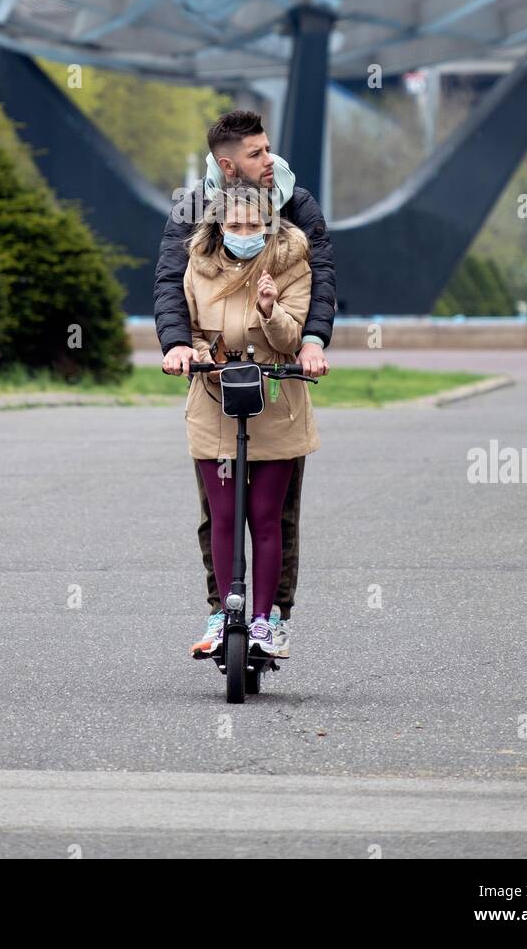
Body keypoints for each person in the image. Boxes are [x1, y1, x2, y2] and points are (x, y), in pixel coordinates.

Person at [156, 110, 336, 656]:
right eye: (257, 153)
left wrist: (312, 342)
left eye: (267, 149)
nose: (270, 160)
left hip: (277, 375)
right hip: (216, 382)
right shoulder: (191, 211)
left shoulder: (295, 202)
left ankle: (272, 616)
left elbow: (320, 275)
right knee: (218, 514)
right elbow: (170, 280)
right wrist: (176, 345)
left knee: (276, 512)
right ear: (227, 165)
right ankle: (221, 611)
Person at [179, 181, 320, 656]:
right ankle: (223, 615)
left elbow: (291, 339)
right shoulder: (198, 266)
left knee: (265, 517)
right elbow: (191, 328)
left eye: (253, 224)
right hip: (215, 401)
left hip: (275, 402)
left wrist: (268, 307)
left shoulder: (291, 264)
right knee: (222, 516)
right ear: (220, 225)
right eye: (234, 224)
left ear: (269, 224)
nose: (243, 231)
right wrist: (198, 356)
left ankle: (264, 622)